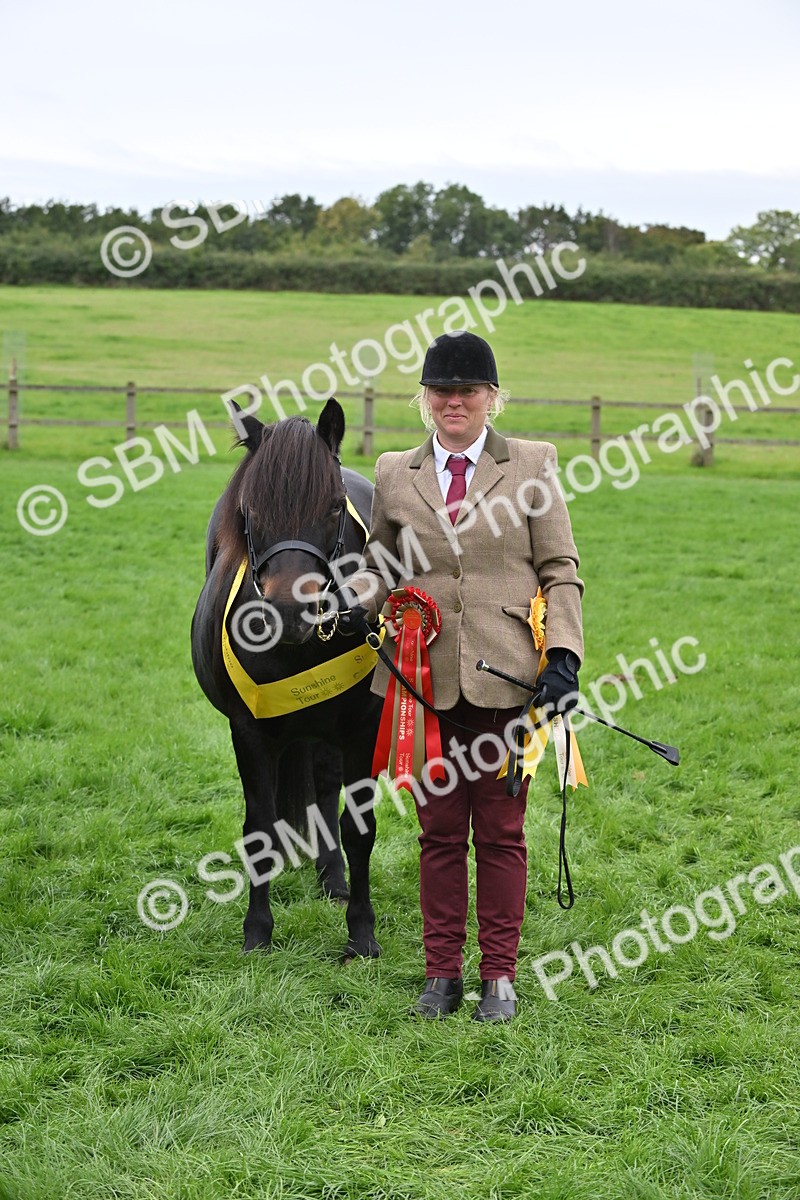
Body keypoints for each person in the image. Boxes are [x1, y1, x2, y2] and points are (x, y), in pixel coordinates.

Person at [340, 330, 584, 1021]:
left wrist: (563, 657)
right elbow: (379, 565)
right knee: (439, 834)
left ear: (490, 397)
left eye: (467, 390)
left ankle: (499, 976)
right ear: (425, 398)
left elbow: (560, 569)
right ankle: (442, 974)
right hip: (422, 686)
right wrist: (354, 601)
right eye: (441, 390)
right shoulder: (395, 472)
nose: (454, 401)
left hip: (510, 680)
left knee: (501, 833)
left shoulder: (532, 463)